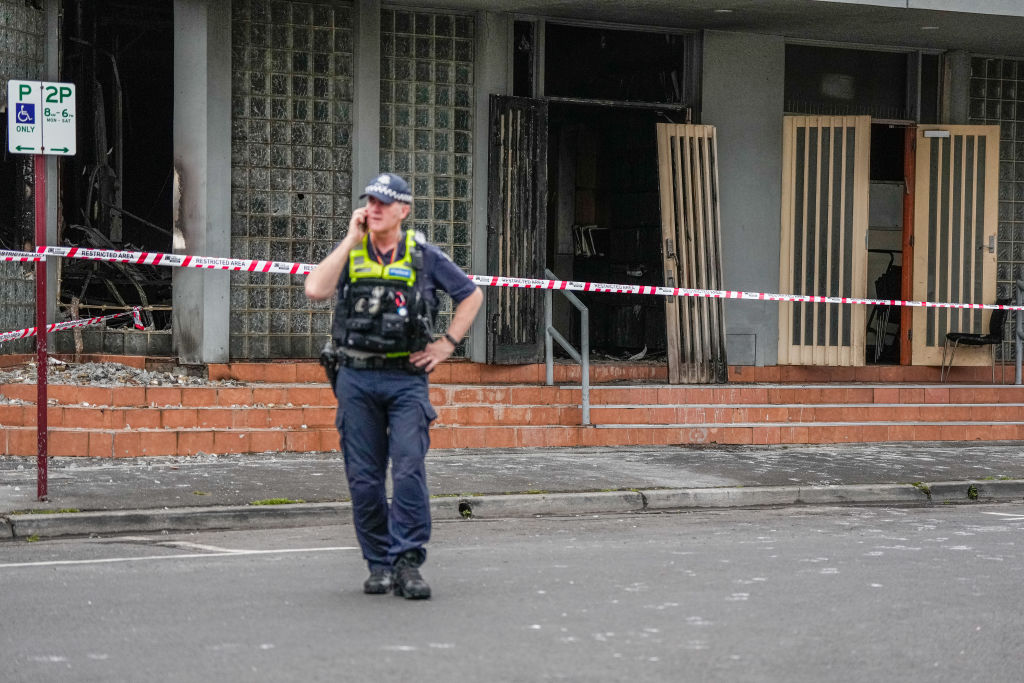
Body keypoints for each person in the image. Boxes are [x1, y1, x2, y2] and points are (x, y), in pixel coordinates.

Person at [305, 173, 482, 600]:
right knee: (364, 480)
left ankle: (407, 562)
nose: (375, 208)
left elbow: (470, 295)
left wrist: (446, 345)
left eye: (385, 202)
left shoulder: (423, 256)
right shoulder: (353, 251)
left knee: (407, 471)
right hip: (357, 378)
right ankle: (379, 563)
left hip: (406, 381)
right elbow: (315, 289)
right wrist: (349, 239)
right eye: (371, 201)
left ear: (404, 210)